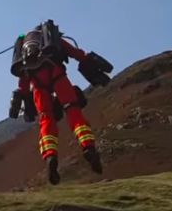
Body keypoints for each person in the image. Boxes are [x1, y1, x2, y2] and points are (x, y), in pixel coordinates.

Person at [9, 20, 113, 185]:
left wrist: (22, 97)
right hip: (56, 74)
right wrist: (88, 60)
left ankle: (50, 156)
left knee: (46, 118)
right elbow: (75, 53)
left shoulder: (24, 51)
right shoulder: (51, 38)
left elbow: (22, 83)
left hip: (37, 83)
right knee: (73, 109)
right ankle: (88, 147)